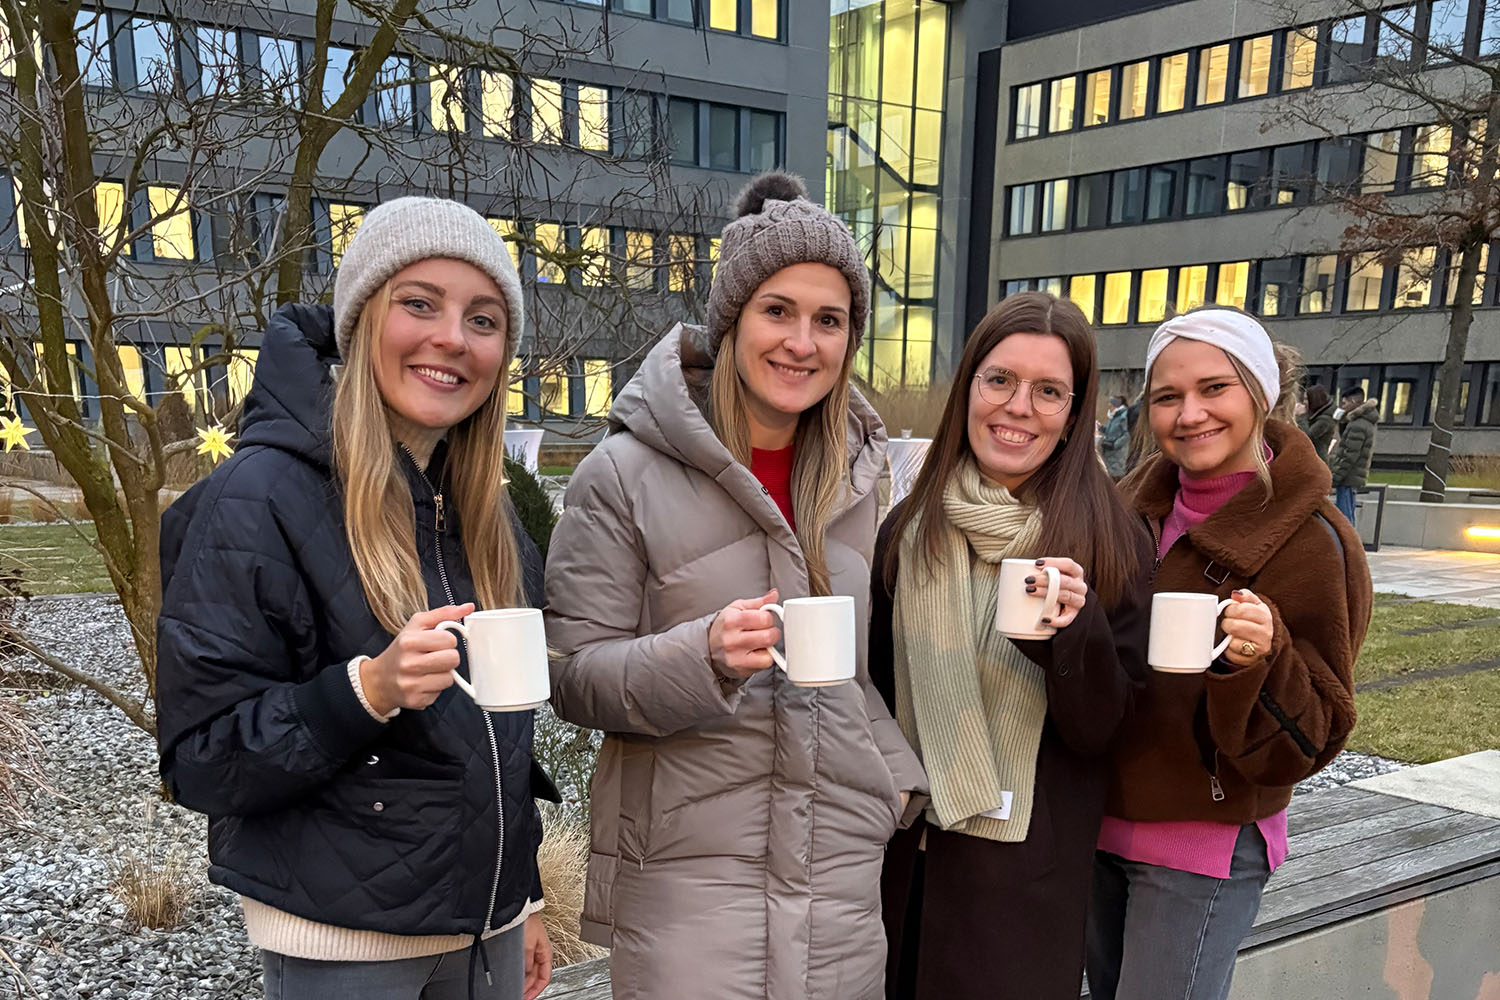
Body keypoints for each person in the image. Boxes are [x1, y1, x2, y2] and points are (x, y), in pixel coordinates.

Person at [156, 198, 557, 1000]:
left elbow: (493, 735)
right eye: (419, 303)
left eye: (483, 319)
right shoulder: (256, 496)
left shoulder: (487, 508)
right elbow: (200, 761)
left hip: (488, 928)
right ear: (360, 319)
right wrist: (364, 692)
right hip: (342, 941)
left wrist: (524, 897)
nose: (452, 337)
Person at [544, 171, 926, 1000]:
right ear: (732, 320)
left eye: (830, 320)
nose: (803, 342)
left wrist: (892, 781)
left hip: (840, 880)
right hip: (689, 886)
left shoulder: (857, 478)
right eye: (778, 311)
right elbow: (572, 677)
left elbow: (853, 674)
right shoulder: (624, 473)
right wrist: (704, 655)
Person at [871, 292, 1151, 999]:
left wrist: (1070, 631)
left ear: (1073, 413)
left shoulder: (1111, 539)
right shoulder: (908, 528)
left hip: (1024, 887)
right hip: (904, 868)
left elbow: (1106, 731)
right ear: (968, 388)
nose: (1018, 407)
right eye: (999, 380)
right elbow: (873, 696)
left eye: (1048, 390)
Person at [1086, 309, 1372, 1000]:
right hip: (1097, 827)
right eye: (1167, 396)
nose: (1190, 414)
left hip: (1204, 844)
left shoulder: (1314, 541)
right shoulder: (1125, 512)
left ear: (1261, 392)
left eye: (1215, 388)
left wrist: (1259, 661)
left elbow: (1316, 734)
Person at [1329, 385, 1378, 525]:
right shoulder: (1361, 422)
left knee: (1344, 519)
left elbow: (1349, 455)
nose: (1342, 407)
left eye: (1344, 403)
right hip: (1352, 476)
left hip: (1348, 477)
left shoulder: (1358, 425)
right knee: (1347, 515)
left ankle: (1348, 546)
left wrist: (1336, 478)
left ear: (1354, 402)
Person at [1100, 393, 1131, 479]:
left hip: (1117, 455)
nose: (1109, 405)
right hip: (1109, 453)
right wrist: (1101, 428)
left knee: (1115, 479)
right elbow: (1110, 431)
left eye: (1111, 403)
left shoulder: (1124, 417)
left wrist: (1115, 444)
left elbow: (1127, 434)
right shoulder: (1113, 416)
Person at [1303, 383, 1336, 464]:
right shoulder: (1314, 414)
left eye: (1307, 399)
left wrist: (1301, 416)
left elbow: (1307, 436)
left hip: (1318, 460)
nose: (1304, 402)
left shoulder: (1325, 420)